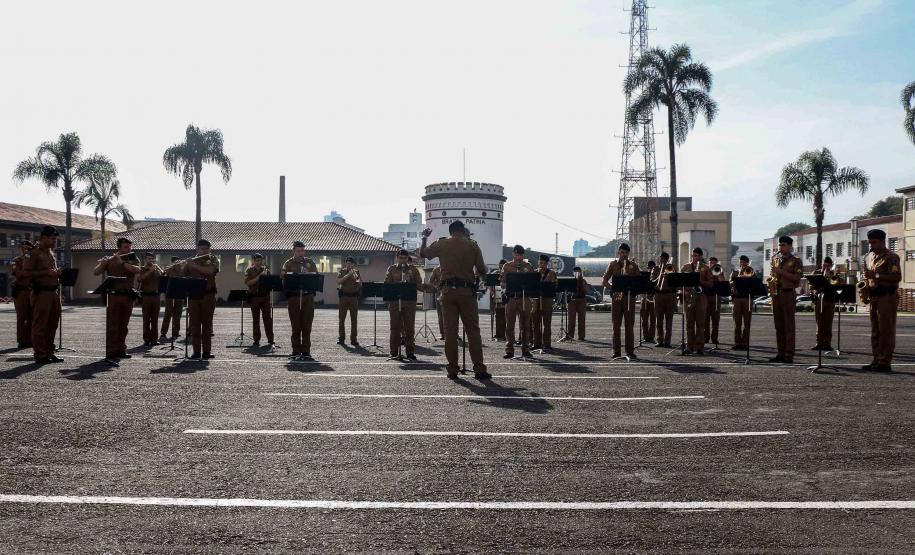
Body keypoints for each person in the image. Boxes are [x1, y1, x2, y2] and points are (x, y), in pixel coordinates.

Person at [420, 221, 490, 379]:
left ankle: (452, 369)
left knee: (450, 332)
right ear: (463, 231)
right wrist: (483, 272)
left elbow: (423, 253)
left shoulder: (442, 243)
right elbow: (481, 269)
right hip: (466, 292)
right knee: (473, 331)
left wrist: (424, 238)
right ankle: (479, 369)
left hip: (447, 292)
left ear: (451, 231)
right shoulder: (472, 245)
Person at [861, 229, 901, 372]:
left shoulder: (892, 257)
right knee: (876, 331)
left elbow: (897, 277)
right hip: (875, 297)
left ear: (883, 241)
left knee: (886, 330)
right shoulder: (872, 257)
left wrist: (876, 276)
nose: (871, 246)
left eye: (874, 242)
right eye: (870, 243)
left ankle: (884, 362)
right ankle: (876, 359)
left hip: (887, 297)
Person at [94, 237, 141, 359]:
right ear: (119, 247)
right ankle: (111, 351)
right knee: (113, 324)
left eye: (130, 247)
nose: (129, 249)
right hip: (113, 296)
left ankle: (121, 350)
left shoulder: (133, 258)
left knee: (124, 325)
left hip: (127, 295)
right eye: (126, 247)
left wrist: (122, 263)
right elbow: (96, 272)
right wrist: (103, 263)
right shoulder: (111, 259)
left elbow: (137, 270)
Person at [23, 226, 63, 363]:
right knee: (40, 325)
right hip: (41, 293)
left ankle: (49, 352)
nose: (54, 242)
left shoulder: (50, 253)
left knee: (52, 324)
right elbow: (25, 274)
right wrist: (46, 272)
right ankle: (40, 355)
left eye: (55, 239)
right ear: (44, 237)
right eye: (52, 239)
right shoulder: (32, 253)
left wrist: (57, 272)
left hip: (53, 292)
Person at [602, 243, 642, 358]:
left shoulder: (633, 265)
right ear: (618, 252)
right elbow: (604, 280)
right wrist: (613, 288)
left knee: (629, 325)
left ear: (628, 253)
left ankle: (630, 351)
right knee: (616, 325)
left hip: (629, 297)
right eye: (621, 252)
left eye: (625, 253)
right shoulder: (613, 264)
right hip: (617, 296)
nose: (623, 254)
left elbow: (639, 281)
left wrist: (633, 284)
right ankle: (616, 351)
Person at [768, 236, 802, 363]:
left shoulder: (796, 261)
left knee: (789, 326)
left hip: (788, 294)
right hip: (776, 294)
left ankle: (789, 354)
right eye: (779, 245)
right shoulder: (776, 259)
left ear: (790, 247)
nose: (780, 247)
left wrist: (780, 272)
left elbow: (797, 279)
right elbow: (773, 275)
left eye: (783, 245)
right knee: (779, 326)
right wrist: (772, 279)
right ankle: (780, 353)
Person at [384, 249, 423, 360]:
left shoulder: (413, 269)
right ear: (397, 258)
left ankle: (410, 351)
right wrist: (398, 284)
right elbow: (387, 284)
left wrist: (410, 280)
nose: (402, 260)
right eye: (400, 258)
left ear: (407, 258)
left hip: (409, 302)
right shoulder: (391, 269)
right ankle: (393, 351)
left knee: (409, 328)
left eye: (404, 258)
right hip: (395, 302)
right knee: (394, 327)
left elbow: (419, 284)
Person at [282, 241, 317, 359]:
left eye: (302, 251)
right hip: (294, 297)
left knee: (307, 325)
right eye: (298, 251)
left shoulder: (310, 262)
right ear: (293, 251)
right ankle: (296, 350)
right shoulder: (288, 263)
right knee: (295, 325)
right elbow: (283, 278)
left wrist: (308, 273)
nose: (301, 253)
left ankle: (306, 350)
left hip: (307, 297)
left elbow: (316, 277)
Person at [186, 239, 220, 359]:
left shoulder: (213, 259)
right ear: (197, 249)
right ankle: (196, 351)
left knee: (207, 324)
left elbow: (210, 271)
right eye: (202, 249)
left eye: (207, 249)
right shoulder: (191, 260)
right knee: (194, 325)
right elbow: (182, 274)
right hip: (193, 296)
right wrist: (181, 265)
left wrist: (194, 265)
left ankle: (206, 352)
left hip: (208, 296)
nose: (205, 251)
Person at [500, 245, 535, 359]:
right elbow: (502, 282)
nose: (518, 257)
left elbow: (533, 282)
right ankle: (509, 350)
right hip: (511, 298)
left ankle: (526, 349)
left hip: (524, 298)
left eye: (520, 255)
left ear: (523, 255)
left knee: (525, 325)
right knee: (509, 325)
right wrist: (505, 285)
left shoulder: (528, 266)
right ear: (513, 254)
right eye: (516, 255)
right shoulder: (507, 266)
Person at [680, 247, 712, 355]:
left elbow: (710, 283)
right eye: (694, 255)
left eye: (698, 256)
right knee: (689, 323)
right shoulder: (685, 267)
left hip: (701, 297)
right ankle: (689, 346)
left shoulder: (706, 268)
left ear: (701, 257)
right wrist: (685, 290)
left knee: (700, 324)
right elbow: (680, 282)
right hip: (689, 297)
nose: (696, 258)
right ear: (692, 256)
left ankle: (699, 347)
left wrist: (701, 281)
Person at [245, 253, 274, 347]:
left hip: (265, 297)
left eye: (260, 260)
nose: (259, 262)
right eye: (257, 260)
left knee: (267, 319)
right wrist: (259, 276)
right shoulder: (249, 270)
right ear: (253, 261)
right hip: (254, 297)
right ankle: (256, 339)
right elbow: (248, 283)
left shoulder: (266, 271)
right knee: (255, 319)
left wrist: (268, 277)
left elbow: (271, 283)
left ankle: (270, 339)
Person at [810, 256, 838, 351]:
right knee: (819, 322)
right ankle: (819, 343)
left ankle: (827, 343)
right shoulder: (816, 273)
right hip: (819, 300)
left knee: (828, 323)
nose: (825, 267)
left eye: (827, 266)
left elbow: (837, 285)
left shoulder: (834, 274)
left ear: (831, 266)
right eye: (824, 265)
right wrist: (813, 290)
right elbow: (811, 285)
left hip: (830, 301)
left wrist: (830, 276)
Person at [531, 254, 557, 353]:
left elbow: (555, 285)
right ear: (538, 263)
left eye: (544, 263)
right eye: (541, 263)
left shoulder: (551, 273)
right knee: (535, 322)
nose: (542, 265)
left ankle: (547, 344)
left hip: (547, 299)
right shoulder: (535, 273)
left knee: (547, 322)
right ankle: (536, 343)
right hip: (536, 299)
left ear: (547, 264)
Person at [11, 240, 34, 349]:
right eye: (24, 248)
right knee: (22, 317)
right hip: (21, 292)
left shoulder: (34, 261)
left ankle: (30, 339)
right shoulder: (16, 261)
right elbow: (18, 274)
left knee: (32, 317)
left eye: (28, 248)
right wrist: (28, 266)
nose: (26, 250)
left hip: (32, 291)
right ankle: (21, 340)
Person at [138, 252, 164, 347]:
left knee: (155, 319)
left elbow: (162, 278)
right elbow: (139, 279)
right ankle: (146, 339)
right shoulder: (142, 269)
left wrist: (162, 272)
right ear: (145, 259)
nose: (151, 260)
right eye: (149, 259)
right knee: (146, 319)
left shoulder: (157, 269)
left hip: (156, 296)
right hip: (146, 296)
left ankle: (154, 339)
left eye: (152, 259)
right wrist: (150, 271)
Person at [729, 255, 754, 350]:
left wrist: (747, 277)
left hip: (747, 298)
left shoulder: (750, 271)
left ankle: (745, 343)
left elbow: (754, 283)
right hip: (737, 299)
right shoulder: (735, 272)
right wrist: (737, 279)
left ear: (747, 263)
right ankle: (737, 342)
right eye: (741, 262)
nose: (742, 264)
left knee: (747, 322)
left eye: (744, 262)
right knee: (737, 323)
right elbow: (729, 284)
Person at [336, 256, 361, 346]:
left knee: (354, 320)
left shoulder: (356, 272)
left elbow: (360, 283)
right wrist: (347, 275)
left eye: (350, 263)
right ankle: (341, 338)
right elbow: (338, 281)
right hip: (344, 297)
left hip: (353, 298)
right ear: (345, 263)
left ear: (353, 264)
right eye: (347, 263)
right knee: (341, 319)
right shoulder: (342, 271)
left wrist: (353, 276)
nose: (349, 265)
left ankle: (353, 339)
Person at [160, 256, 185, 341]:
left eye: (179, 262)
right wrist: (172, 266)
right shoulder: (169, 267)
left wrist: (178, 267)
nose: (178, 263)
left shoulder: (182, 269)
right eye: (176, 262)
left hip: (179, 293)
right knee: (168, 313)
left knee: (178, 313)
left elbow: (182, 275)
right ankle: (163, 332)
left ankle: (176, 331)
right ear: (172, 262)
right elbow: (164, 273)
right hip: (170, 293)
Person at [653, 253, 675, 348]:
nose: (663, 260)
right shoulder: (656, 268)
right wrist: (660, 276)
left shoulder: (671, 268)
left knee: (669, 320)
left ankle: (667, 341)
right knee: (659, 319)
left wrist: (668, 275)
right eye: (661, 258)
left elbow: (675, 281)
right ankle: (660, 340)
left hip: (669, 294)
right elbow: (652, 281)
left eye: (665, 259)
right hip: (658, 295)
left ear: (667, 259)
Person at [704, 256, 724, 346]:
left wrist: (718, 274)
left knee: (716, 319)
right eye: (711, 263)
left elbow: (722, 281)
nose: (712, 264)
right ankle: (706, 337)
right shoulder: (705, 271)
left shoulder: (719, 270)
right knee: (706, 319)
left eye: (714, 263)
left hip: (716, 297)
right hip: (706, 297)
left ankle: (714, 338)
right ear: (708, 263)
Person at [565, 266, 588, 341]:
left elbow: (585, 291)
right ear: (573, 273)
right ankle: (570, 335)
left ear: (581, 272)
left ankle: (581, 336)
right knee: (571, 319)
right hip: (572, 300)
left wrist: (581, 283)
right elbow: (568, 292)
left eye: (579, 272)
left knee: (582, 319)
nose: (577, 273)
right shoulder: (571, 281)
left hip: (582, 300)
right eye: (575, 272)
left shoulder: (583, 281)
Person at [489, 260, 507, 341]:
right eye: (501, 264)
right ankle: (498, 334)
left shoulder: (507, 273)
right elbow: (491, 284)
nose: (502, 266)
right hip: (498, 292)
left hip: (505, 294)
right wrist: (492, 293)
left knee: (504, 316)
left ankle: (503, 334)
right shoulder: (495, 273)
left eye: (503, 264)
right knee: (498, 315)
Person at [640, 260, 657, 344]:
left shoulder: (656, 276)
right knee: (644, 319)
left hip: (653, 299)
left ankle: (651, 336)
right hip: (644, 298)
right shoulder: (644, 276)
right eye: (649, 268)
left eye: (652, 268)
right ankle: (645, 336)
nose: (650, 269)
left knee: (653, 319)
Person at [428, 265, 445, 338]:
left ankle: (455, 333)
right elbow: (430, 281)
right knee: (441, 315)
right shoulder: (436, 269)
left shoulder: (452, 266)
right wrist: (436, 286)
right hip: (440, 294)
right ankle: (443, 334)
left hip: (451, 293)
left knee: (453, 314)